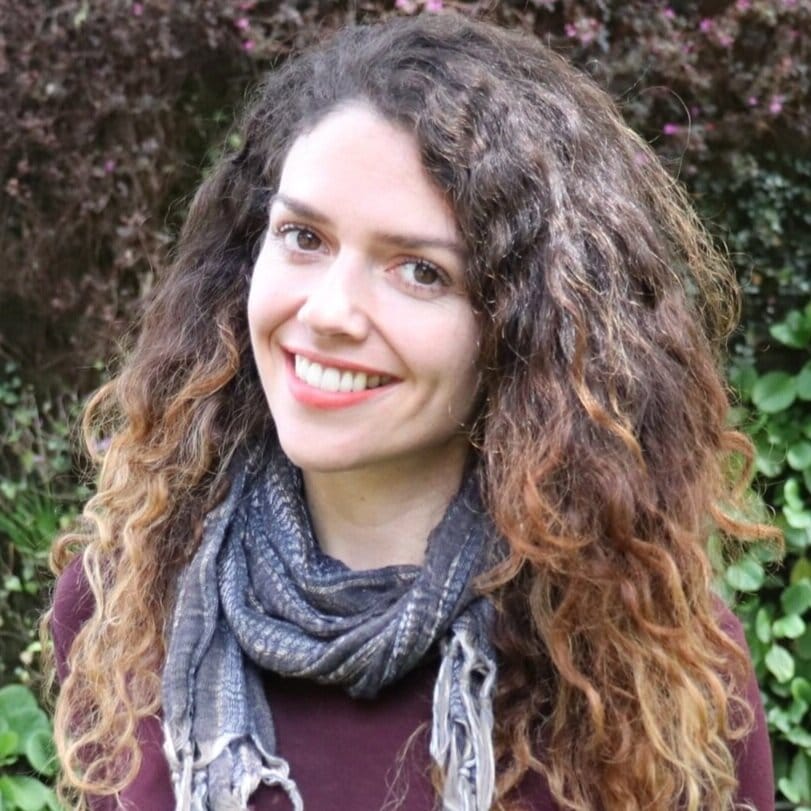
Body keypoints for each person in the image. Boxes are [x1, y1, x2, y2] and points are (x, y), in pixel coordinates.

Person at [47, 12, 776, 811]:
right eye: (302, 236)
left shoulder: (641, 660)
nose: (329, 311)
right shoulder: (120, 604)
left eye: (421, 272)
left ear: (526, 332)